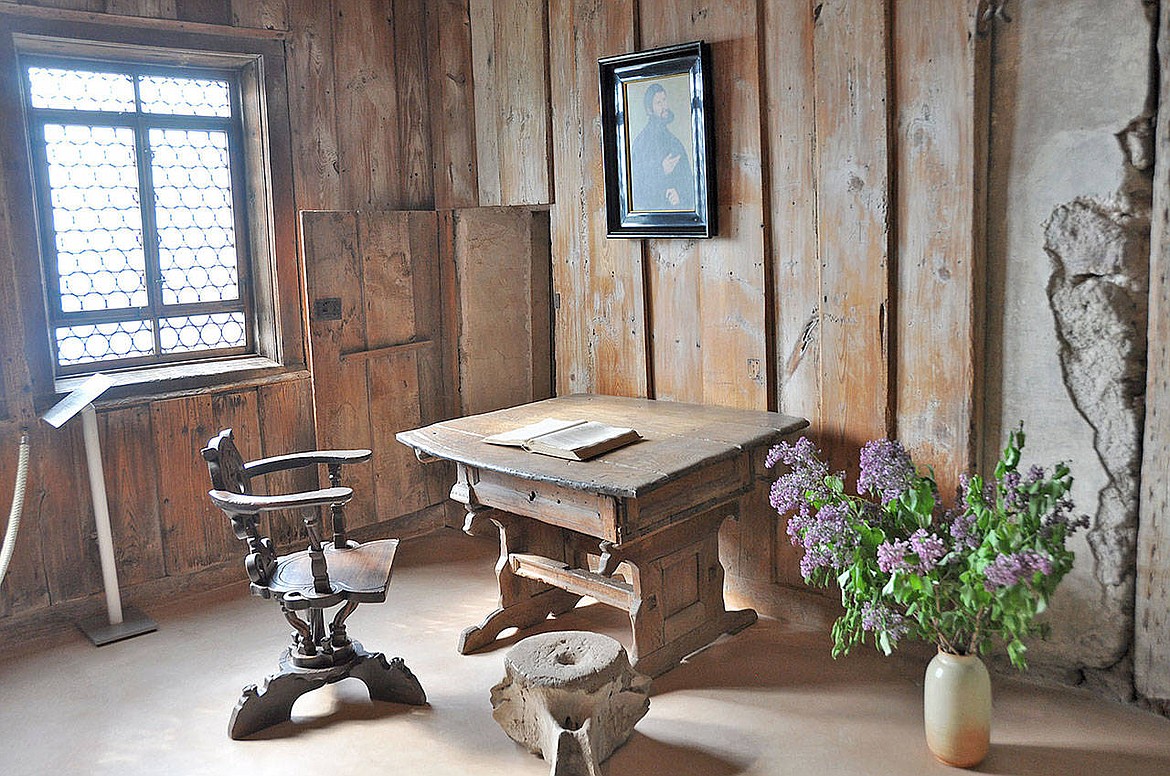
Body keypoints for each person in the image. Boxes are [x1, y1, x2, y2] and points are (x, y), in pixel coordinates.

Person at [629, 82, 694, 211]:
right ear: (649, 110)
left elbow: (688, 181)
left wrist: (679, 194)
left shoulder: (674, 141)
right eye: (658, 103)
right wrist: (661, 170)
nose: (664, 106)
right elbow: (635, 189)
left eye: (664, 100)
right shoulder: (641, 143)